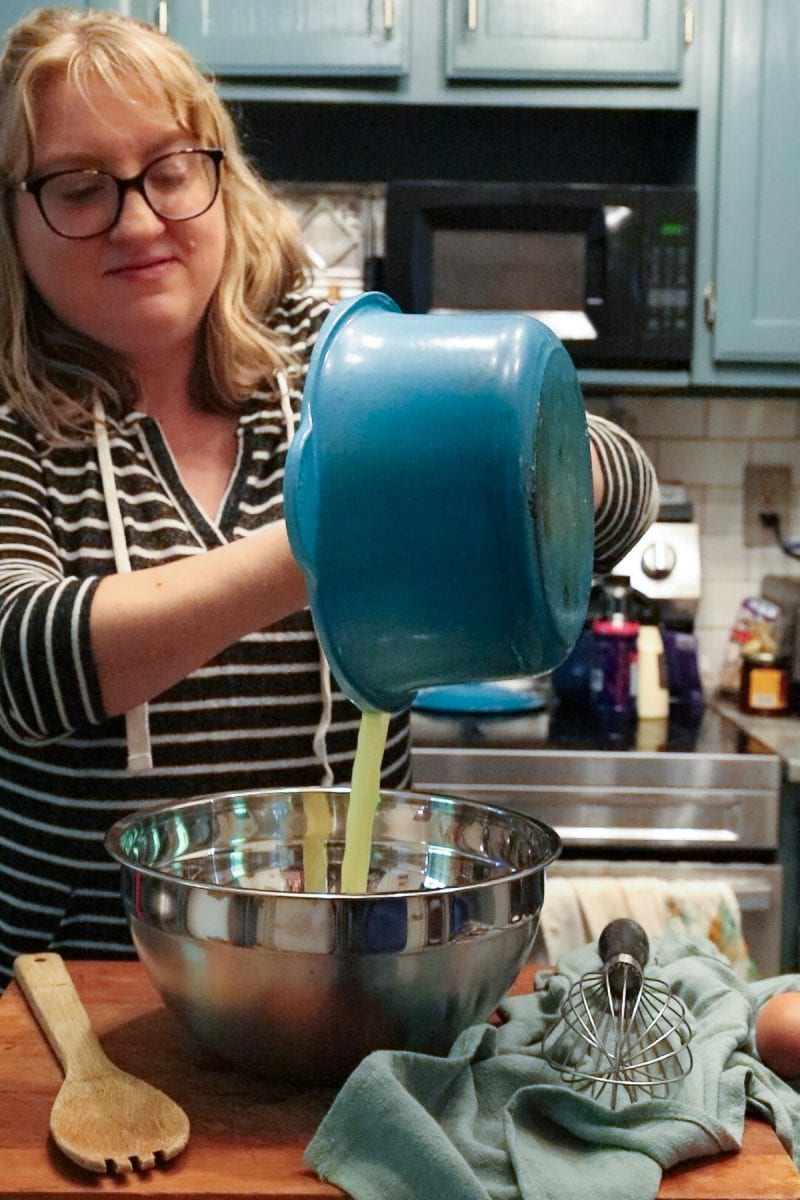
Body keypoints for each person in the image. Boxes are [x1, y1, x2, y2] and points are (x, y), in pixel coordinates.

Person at [0, 7, 659, 990]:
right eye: (79, 186)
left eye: (169, 169)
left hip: (348, 976)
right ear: (13, 215)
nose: (137, 221)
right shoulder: (12, 413)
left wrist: (530, 467)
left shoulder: (337, 360)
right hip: (77, 989)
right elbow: (21, 659)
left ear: (219, 175)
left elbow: (623, 493)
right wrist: (338, 537)